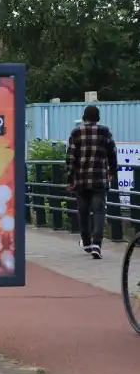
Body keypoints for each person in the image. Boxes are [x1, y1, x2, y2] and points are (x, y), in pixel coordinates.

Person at [66, 105, 117, 259]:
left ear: (83, 117)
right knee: (99, 211)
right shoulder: (104, 131)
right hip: (99, 178)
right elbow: (112, 153)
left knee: (83, 210)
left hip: (81, 179)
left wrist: (70, 178)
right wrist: (112, 171)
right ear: (98, 117)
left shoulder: (76, 133)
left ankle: (87, 242)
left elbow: (70, 158)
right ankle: (97, 244)